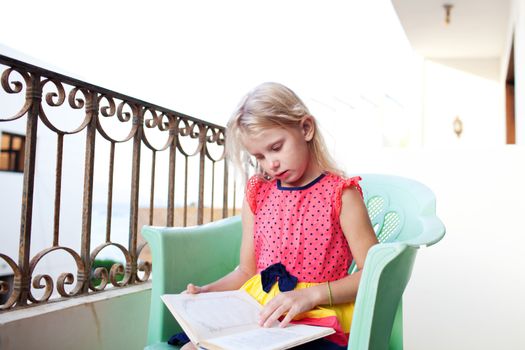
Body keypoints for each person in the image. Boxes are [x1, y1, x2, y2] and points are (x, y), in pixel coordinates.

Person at [179, 82, 378, 349]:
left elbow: (373, 272)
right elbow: (247, 271)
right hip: (262, 315)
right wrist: (207, 292)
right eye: (259, 156)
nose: (270, 164)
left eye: (276, 147)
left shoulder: (341, 194)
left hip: (315, 318)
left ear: (306, 128)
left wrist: (311, 295)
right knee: (192, 348)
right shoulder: (258, 194)